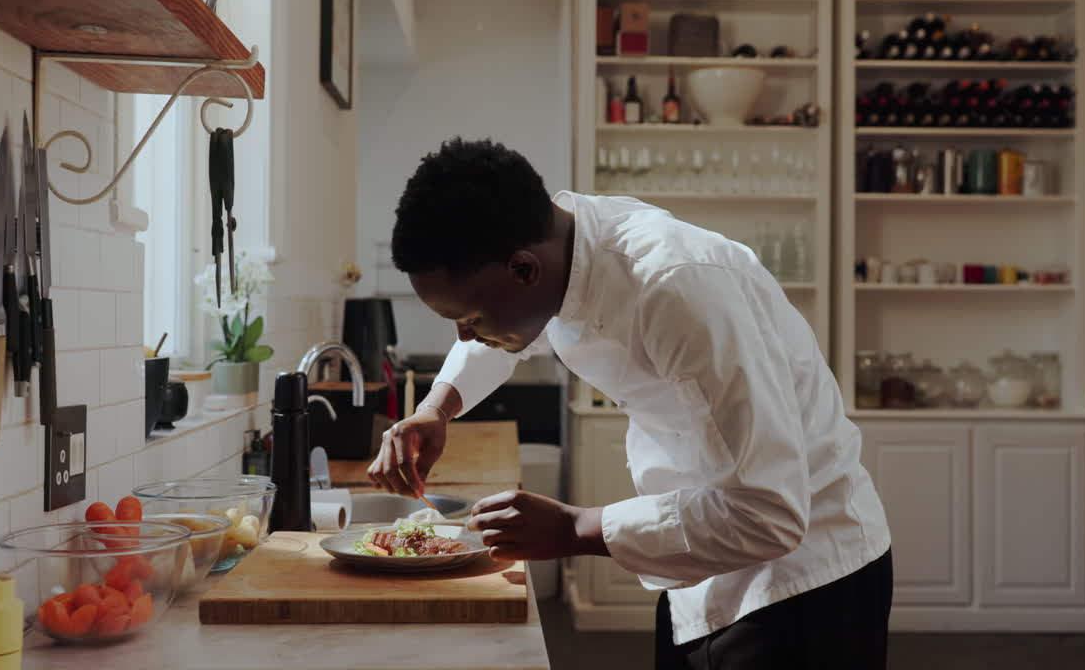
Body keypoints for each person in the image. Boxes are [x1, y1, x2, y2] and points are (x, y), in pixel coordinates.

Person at [367, 137, 893, 669]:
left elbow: (769, 514)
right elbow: (508, 334)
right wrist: (436, 406)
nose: (466, 334)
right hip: (700, 559)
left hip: (803, 582)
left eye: (471, 319)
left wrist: (575, 528)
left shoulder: (677, 288)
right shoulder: (560, 247)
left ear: (525, 269)